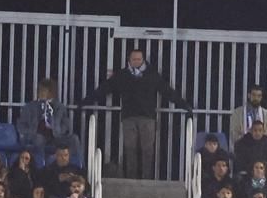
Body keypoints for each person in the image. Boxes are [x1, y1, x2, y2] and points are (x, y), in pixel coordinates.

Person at [79, 48, 189, 180]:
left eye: (139, 59)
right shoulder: (122, 75)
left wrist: (184, 105)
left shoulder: (152, 75)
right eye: (134, 59)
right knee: (130, 149)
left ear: (143, 60)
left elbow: (168, 91)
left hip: (147, 118)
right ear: (129, 60)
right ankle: (131, 178)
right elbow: (104, 89)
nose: (136, 62)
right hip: (128, 117)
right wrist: (85, 101)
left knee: (147, 150)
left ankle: (146, 179)